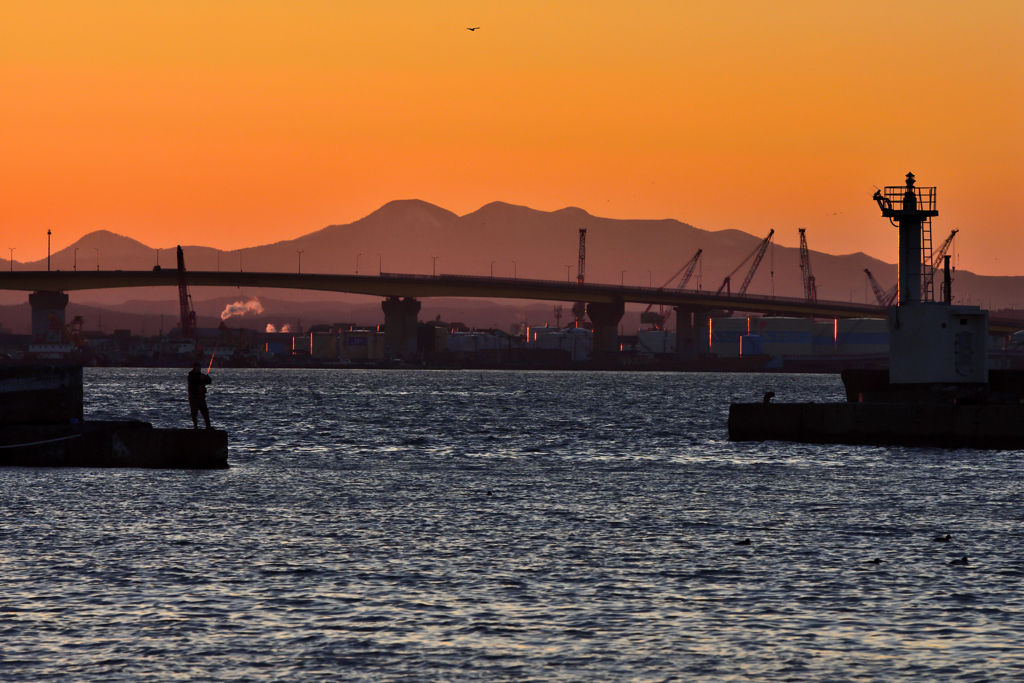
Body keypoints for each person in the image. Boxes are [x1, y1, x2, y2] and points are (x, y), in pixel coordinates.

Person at [187, 361, 213, 429]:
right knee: (194, 412)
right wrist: (200, 379)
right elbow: (193, 381)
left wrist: (207, 378)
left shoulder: (202, 375)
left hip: (201, 397)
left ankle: (208, 426)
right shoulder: (191, 375)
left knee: (205, 412)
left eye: (199, 367)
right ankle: (195, 426)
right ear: (194, 367)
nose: (198, 368)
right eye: (197, 367)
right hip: (193, 397)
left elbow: (209, 381)